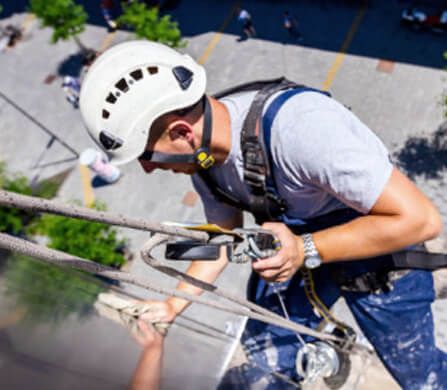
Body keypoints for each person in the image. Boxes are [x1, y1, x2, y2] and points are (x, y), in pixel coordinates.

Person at [79, 41, 445, 388]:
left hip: (379, 247)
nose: (148, 170)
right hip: (299, 249)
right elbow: (223, 235)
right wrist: (174, 304)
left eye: (148, 156)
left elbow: (420, 220)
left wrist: (304, 249)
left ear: (182, 132)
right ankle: (316, 347)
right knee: (265, 362)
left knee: (419, 375)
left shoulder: (301, 130)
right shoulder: (207, 159)